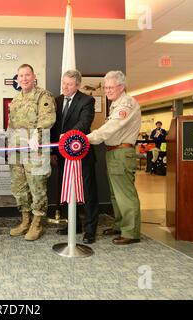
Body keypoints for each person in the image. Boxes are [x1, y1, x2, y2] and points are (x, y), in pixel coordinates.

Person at [86, 70, 141, 245]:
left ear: (122, 86)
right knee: (115, 195)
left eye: (111, 87)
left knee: (125, 194)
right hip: (113, 151)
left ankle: (130, 232)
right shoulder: (116, 103)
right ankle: (119, 225)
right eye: (106, 87)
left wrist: (85, 138)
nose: (107, 91)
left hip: (121, 153)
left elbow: (110, 128)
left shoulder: (127, 104)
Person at [8, 64, 56, 241]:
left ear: (34, 76)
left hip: (36, 150)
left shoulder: (43, 95)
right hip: (17, 151)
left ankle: (37, 223)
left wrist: (38, 132)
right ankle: (25, 220)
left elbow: (47, 118)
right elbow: (11, 125)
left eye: (27, 75)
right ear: (18, 79)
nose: (24, 78)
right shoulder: (15, 100)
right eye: (21, 76)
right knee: (19, 188)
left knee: (37, 187)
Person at [51, 69, 99, 244]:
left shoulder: (87, 100)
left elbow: (84, 123)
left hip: (82, 155)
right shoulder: (56, 101)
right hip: (63, 156)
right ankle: (74, 224)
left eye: (69, 84)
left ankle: (90, 230)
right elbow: (54, 129)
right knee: (67, 190)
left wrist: (68, 136)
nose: (65, 86)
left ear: (77, 85)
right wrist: (54, 152)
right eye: (63, 83)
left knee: (87, 193)